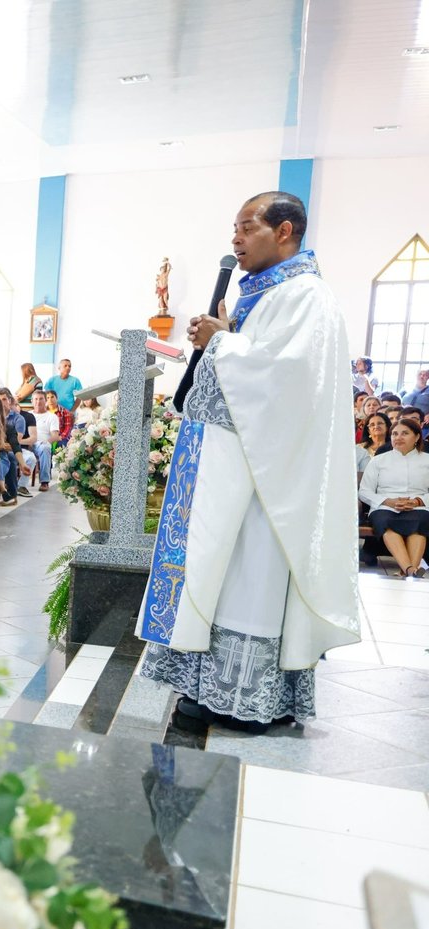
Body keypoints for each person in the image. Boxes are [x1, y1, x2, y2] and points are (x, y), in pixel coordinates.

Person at [138, 190, 360, 733]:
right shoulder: (266, 294)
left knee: (249, 579)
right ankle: (209, 687)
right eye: (234, 229)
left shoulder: (307, 296)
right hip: (236, 469)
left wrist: (224, 345)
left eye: (246, 227)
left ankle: (245, 697)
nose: (234, 239)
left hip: (269, 483)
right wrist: (224, 340)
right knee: (220, 570)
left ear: (284, 231)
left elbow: (285, 383)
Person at [360, 418, 429, 577]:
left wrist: (418, 501)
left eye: (405, 433)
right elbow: (364, 491)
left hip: (419, 506)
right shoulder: (379, 461)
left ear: (417, 437)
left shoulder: (427, 460)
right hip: (384, 506)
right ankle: (411, 570)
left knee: (419, 523)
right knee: (386, 523)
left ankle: (407, 570)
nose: (398, 437)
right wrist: (388, 502)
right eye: (395, 434)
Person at [27, 389, 57, 491]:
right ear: (31, 401)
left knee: (45, 448)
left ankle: (44, 482)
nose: (38, 402)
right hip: (28, 442)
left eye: (41, 399)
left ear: (45, 401)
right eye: (35, 399)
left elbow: (55, 435)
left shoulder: (52, 417)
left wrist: (47, 442)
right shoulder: (27, 415)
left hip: (41, 443)